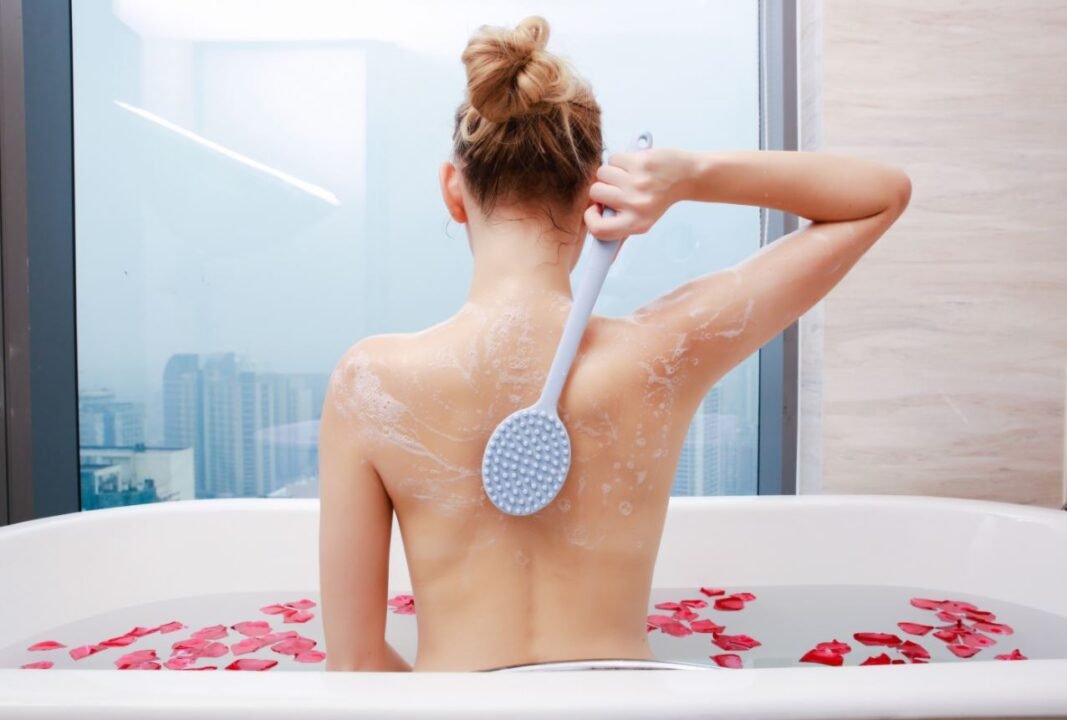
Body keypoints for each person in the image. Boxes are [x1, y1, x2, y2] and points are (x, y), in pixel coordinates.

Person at [318, 16, 910, 672]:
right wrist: (689, 175)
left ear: (453, 193)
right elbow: (879, 197)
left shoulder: (369, 383)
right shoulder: (662, 354)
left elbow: (355, 666)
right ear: (594, 192)